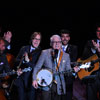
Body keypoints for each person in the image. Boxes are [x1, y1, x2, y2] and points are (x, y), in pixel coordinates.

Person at [32, 34, 79, 100]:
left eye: (59, 42)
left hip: (59, 85)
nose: (57, 44)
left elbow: (68, 71)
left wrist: (74, 71)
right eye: (54, 42)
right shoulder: (44, 53)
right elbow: (37, 67)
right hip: (46, 84)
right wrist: (34, 79)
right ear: (51, 43)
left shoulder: (66, 56)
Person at [12, 32, 42, 100]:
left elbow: (37, 67)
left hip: (31, 81)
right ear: (31, 39)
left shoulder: (41, 52)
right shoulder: (24, 48)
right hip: (21, 80)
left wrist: (27, 62)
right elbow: (16, 60)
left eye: (38, 39)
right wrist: (21, 62)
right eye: (35, 39)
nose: (36, 41)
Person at [81, 25, 100, 100]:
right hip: (92, 76)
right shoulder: (90, 43)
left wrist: (98, 49)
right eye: (98, 31)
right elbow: (84, 57)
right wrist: (94, 50)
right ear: (96, 32)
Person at [59, 29, 78, 100]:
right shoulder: (56, 47)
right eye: (63, 36)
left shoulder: (74, 48)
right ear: (60, 38)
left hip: (68, 75)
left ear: (69, 38)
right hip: (58, 75)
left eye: (66, 37)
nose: (65, 38)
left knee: (68, 95)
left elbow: (72, 61)